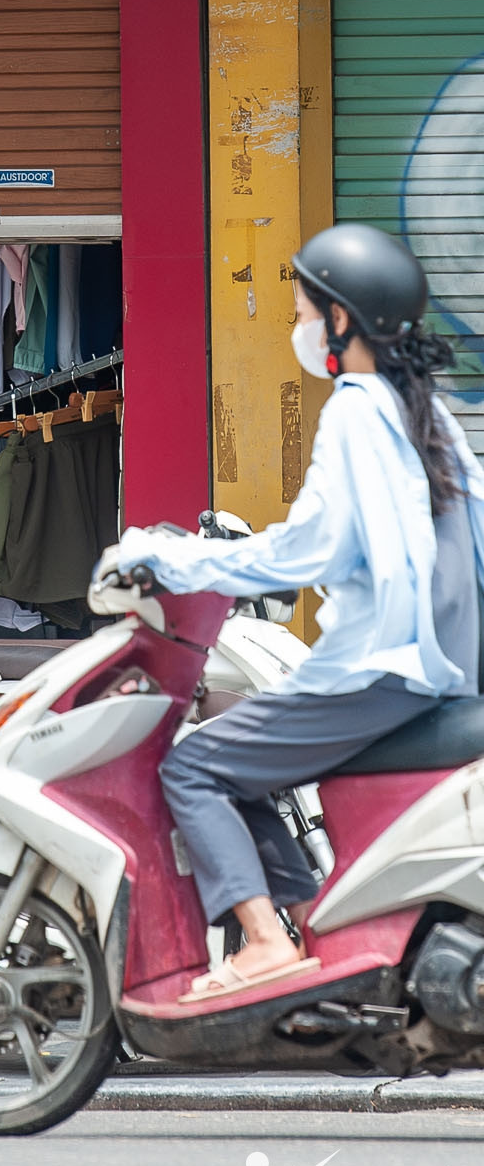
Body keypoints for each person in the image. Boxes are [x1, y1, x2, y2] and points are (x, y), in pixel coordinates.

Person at [106, 223, 484, 1003]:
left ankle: (268, 943)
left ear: (342, 322)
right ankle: (313, 929)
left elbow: (308, 551)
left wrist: (171, 558)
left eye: (306, 311)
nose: (300, 327)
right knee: (244, 769)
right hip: (436, 670)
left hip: (374, 670)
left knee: (195, 766)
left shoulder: (354, 410)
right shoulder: (431, 415)